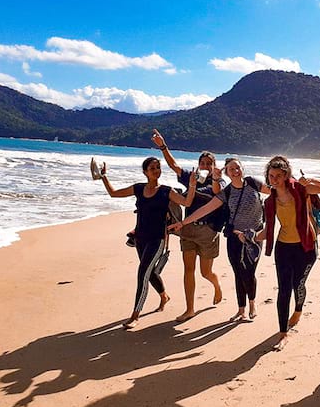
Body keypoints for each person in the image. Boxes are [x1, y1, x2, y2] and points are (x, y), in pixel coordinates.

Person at [98, 157, 197, 329]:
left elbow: (187, 202)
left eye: (158, 167)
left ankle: (135, 315)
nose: (156, 170)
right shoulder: (138, 188)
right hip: (140, 238)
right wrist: (103, 177)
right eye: (152, 168)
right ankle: (164, 296)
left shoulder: (167, 191)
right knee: (149, 273)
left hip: (158, 239)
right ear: (145, 171)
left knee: (142, 273)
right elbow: (114, 193)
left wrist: (193, 184)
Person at [170, 157, 270, 322]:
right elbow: (205, 209)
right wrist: (183, 222)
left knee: (249, 271)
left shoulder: (253, 183)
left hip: (254, 236)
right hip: (234, 237)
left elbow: (276, 192)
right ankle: (241, 310)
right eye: (231, 169)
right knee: (238, 272)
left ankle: (252, 303)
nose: (235, 171)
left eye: (237, 167)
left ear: (242, 168)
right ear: (228, 173)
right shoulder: (227, 192)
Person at [256, 156, 320, 351]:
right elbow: (269, 229)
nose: (274, 180)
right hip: (283, 247)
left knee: (298, 284)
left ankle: (298, 309)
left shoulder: (301, 190)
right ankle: (283, 333)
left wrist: (310, 181)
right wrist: (250, 237)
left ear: (286, 176)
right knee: (283, 290)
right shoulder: (270, 200)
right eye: (271, 176)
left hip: (305, 246)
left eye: (279, 176)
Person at [151, 129, 225, 322]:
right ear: (199, 164)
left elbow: (217, 191)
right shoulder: (192, 177)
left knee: (205, 272)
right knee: (188, 270)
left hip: (208, 232)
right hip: (188, 230)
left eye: (210, 164)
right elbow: (174, 166)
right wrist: (163, 146)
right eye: (203, 163)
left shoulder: (218, 182)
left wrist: (214, 178)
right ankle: (190, 309)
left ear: (215, 166)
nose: (206, 166)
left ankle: (216, 285)